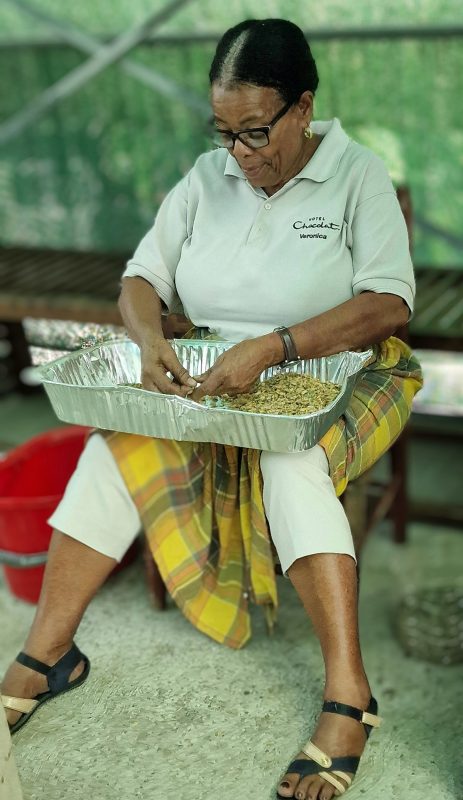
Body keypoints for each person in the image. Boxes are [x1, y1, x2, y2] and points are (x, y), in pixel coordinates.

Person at [1, 18, 422, 800]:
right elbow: (139, 280)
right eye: (224, 132)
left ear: (302, 108)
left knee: (291, 461)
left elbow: (388, 307)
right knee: (115, 446)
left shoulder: (356, 175)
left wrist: (273, 346)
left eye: (257, 131)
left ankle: (349, 697)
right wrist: (149, 336)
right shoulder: (204, 178)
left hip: (336, 373)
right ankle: (49, 653)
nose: (241, 152)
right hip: (216, 371)